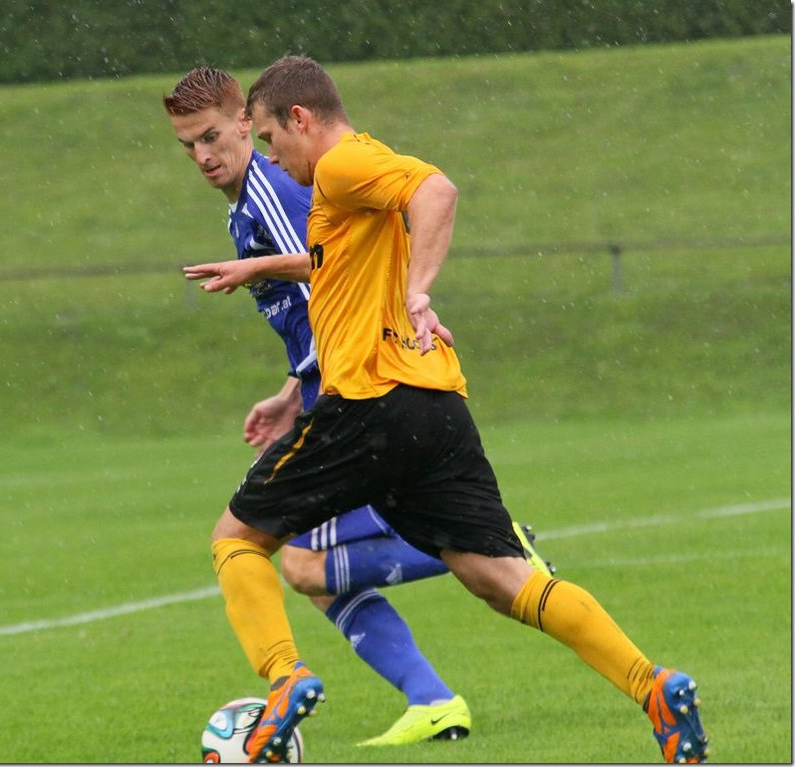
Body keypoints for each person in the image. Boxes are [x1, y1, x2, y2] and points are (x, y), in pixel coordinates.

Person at [183, 56, 709, 764]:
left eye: (273, 140)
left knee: (238, 540)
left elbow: (437, 189)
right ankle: (654, 687)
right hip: (435, 404)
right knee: (501, 578)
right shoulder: (350, 186)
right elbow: (339, 264)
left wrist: (418, 292)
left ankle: (285, 680)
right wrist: (263, 275)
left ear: (301, 120)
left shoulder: (339, 165)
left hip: (368, 404)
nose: (273, 158)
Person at [162, 67, 557, 748]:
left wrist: (267, 282)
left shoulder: (272, 190)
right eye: (187, 145)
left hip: (360, 394)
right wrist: (291, 391)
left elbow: (332, 269)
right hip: (334, 386)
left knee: (294, 561)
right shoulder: (245, 204)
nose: (202, 155)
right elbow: (320, 298)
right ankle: (431, 697)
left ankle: (499, 555)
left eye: (211, 137)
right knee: (312, 574)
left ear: (246, 125)